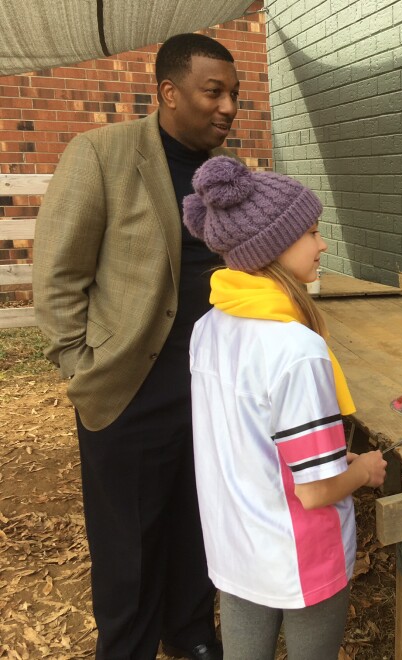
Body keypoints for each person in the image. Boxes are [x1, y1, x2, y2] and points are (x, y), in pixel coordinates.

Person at [32, 33, 240, 660]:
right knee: (130, 546)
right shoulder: (101, 154)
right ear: (169, 93)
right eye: (214, 92)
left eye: (235, 94)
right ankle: (126, 648)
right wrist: (80, 364)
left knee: (196, 523)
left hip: (210, 389)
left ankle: (192, 634)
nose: (228, 106)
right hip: (129, 387)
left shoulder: (223, 179)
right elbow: (58, 276)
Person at [181, 156, 387, 660]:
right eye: (312, 232)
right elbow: (316, 490)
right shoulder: (296, 349)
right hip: (302, 557)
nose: (323, 245)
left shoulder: (207, 329)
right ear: (273, 246)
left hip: (236, 550)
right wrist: (363, 470)